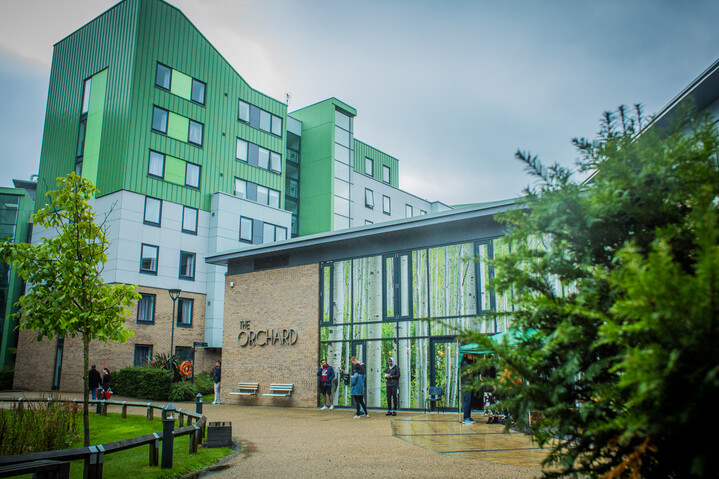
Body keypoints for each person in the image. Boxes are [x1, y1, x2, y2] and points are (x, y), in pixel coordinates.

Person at [460, 354, 476, 424]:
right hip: (466, 385)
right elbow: (470, 372)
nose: (473, 356)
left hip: (469, 384)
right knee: (467, 400)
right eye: (472, 355)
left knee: (469, 401)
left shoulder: (470, 362)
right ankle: (465, 417)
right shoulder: (465, 363)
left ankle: (468, 416)